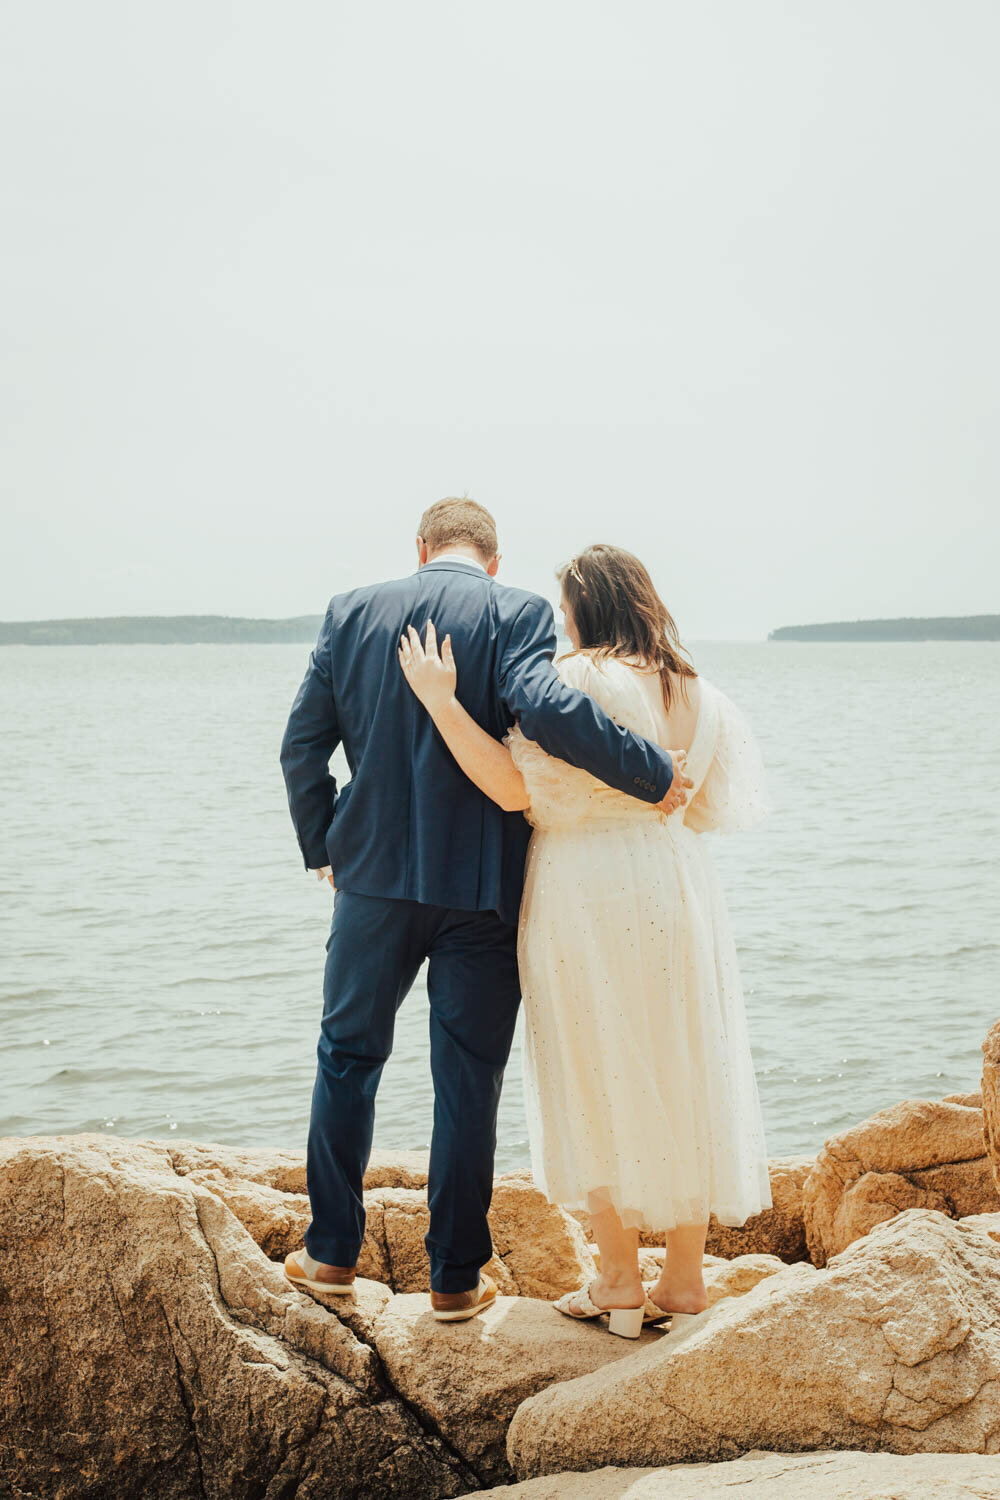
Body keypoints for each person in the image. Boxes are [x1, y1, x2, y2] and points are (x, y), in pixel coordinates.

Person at [279, 501, 692, 1322]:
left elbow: (301, 744)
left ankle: (329, 1255)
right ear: (493, 560)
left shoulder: (352, 611)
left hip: (374, 882)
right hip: (483, 888)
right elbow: (546, 709)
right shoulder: (517, 612)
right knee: (467, 1080)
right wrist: (650, 772)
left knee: (347, 1057)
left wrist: (326, 844)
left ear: (422, 548)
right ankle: (456, 1280)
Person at [398, 542, 772, 1339]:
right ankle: (682, 1280)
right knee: (683, 1059)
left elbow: (510, 785)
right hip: (676, 882)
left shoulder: (574, 680)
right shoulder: (700, 692)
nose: (558, 617)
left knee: (591, 1066)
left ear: (582, 607)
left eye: (563, 604)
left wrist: (439, 700)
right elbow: (705, 811)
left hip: (581, 883)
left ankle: (615, 1280)